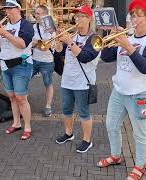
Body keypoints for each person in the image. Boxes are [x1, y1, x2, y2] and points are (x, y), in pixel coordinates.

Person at [98, 0, 146, 179]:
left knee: (140, 133)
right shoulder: (127, 36)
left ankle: (140, 165)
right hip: (119, 90)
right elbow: (105, 57)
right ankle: (115, 155)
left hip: (141, 94)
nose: (134, 18)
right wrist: (109, 38)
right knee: (111, 125)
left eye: (139, 15)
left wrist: (127, 46)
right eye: (132, 14)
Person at [54, 5, 99, 153]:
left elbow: (85, 57)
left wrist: (70, 42)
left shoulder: (95, 39)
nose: (77, 19)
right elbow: (60, 54)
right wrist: (59, 43)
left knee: (83, 112)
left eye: (81, 16)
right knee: (66, 109)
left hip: (83, 83)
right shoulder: (72, 35)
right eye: (76, 16)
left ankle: (87, 140)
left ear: (89, 19)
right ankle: (68, 133)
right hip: (67, 80)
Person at [0, 0, 34, 140]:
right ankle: (16, 123)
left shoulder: (26, 25)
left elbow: (22, 44)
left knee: (21, 98)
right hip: (5, 65)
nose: (7, 12)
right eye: (5, 9)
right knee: (12, 98)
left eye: (10, 9)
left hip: (21, 64)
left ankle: (27, 126)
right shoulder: (5, 25)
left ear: (18, 8)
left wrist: (5, 33)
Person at [32, 5, 55, 117]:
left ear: (46, 14)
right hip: (34, 59)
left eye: (39, 13)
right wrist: (38, 43)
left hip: (47, 60)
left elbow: (48, 45)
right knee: (25, 79)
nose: (36, 16)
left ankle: (48, 106)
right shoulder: (34, 27)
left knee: (48, 83)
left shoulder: (50, 27)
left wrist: (38, 42)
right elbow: (31, 44)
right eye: (36, 13)